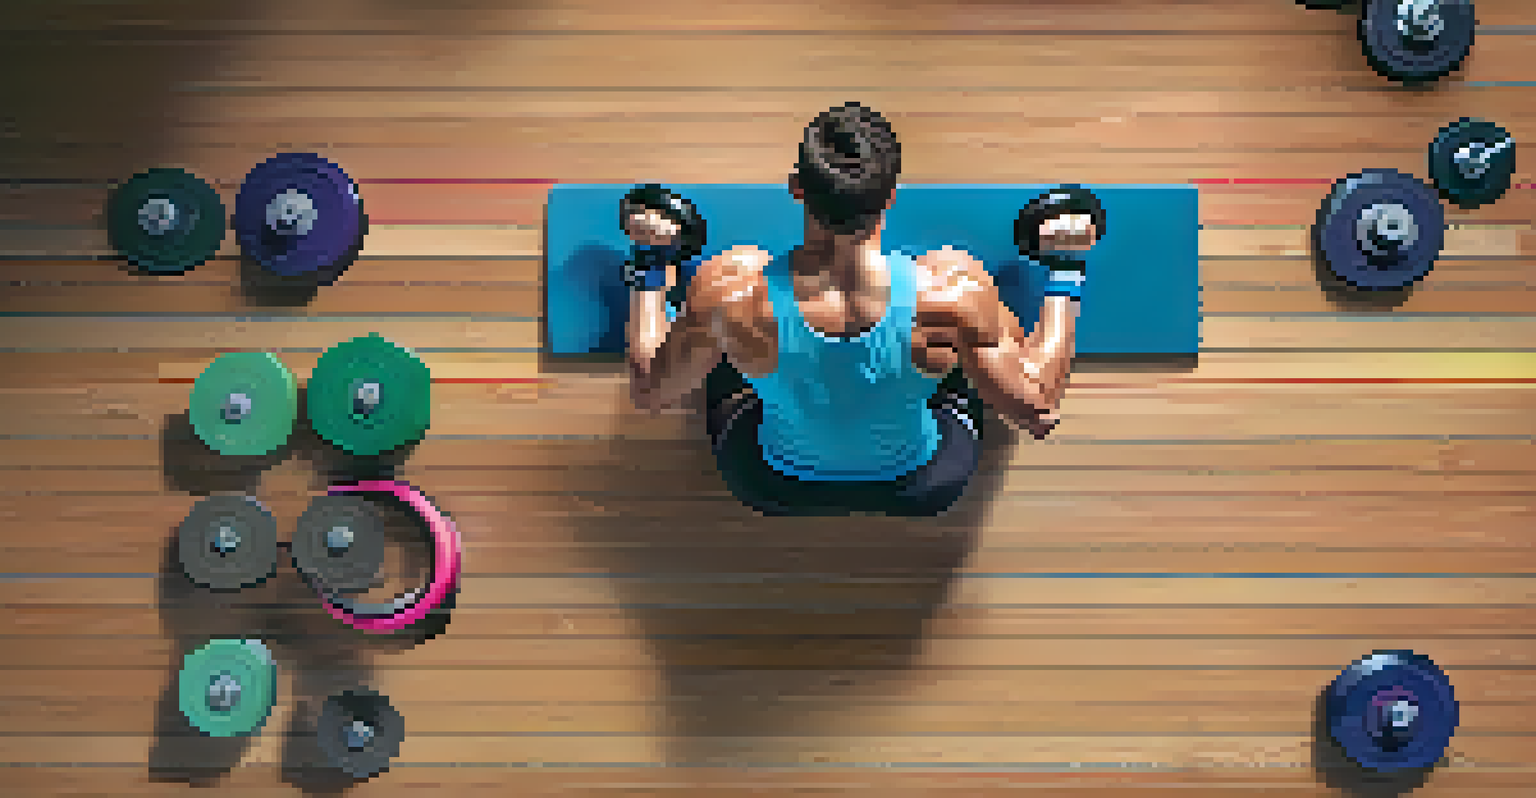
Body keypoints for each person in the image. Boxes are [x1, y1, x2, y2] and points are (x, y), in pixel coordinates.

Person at [622, 102, 1094, 517]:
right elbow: (1039, 409)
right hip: (923, 486)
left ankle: (651, 262)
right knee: (955, 347)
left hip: (770, 485)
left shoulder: (730, 288)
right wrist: (1065, 266)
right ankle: (1055, 277)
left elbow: (649, 393)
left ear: (796, 188)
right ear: (891, 196)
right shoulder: (952, 289)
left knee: (723, 348)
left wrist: (651, 263)